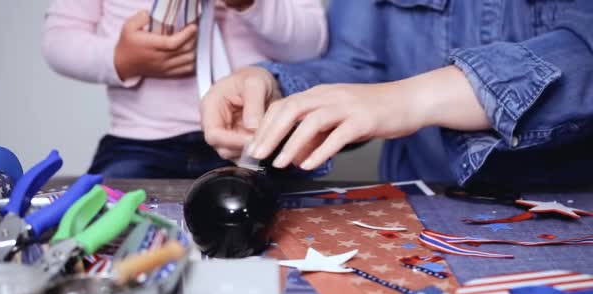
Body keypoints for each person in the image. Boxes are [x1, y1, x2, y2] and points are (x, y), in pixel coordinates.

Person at [201, 0, 593, 186]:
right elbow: (358, 68)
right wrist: (278, 90)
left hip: (565, 212)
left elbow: (584, 51)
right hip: (418, 207)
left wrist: (412, 99)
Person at [42, 0, 328, 178]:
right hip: (141, 142)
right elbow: (59, 41)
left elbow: (312, 44)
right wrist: (120, 59)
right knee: (106, 220)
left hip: (253, 136)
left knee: (286, 226)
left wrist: (254, 5)